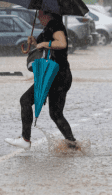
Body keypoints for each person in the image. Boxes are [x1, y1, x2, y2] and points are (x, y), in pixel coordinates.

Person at [5, 10, 77, 149]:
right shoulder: (51, 26)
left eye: (41, 14)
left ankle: (25, 140)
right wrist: (35, 42)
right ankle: (73, 144)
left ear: (48, 14)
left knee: (25, 100)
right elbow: (48, 47)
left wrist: (44, 43)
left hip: (55, 76)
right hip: (60, 75)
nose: (38, 17)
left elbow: (61, 43)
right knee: (56, 114)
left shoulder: (55, 25)